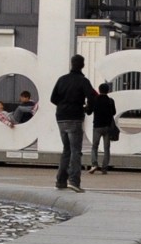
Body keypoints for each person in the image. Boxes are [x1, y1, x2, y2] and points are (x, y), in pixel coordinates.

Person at [50, 55, 95, 192]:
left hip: (61, 117)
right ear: (83, 65)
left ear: (71, 64)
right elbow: (92, 97)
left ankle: (60, 181)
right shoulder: (83, 81)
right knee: (76, 151)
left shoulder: (62, 79)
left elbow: (53, 98)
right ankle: (74, 181)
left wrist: (64, 105)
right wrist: (87, 109)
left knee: (66, 150)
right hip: (75, 117)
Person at [89, 80, 119, 173]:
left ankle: (94, 164)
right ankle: (104, 168)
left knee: (94, 146)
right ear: (108, 90)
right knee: (106, 148)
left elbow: (90, 111)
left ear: (99, 90)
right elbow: (114, 112)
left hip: (97, 126)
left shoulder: (95, 100)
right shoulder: (110, 101)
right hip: (107, 126)